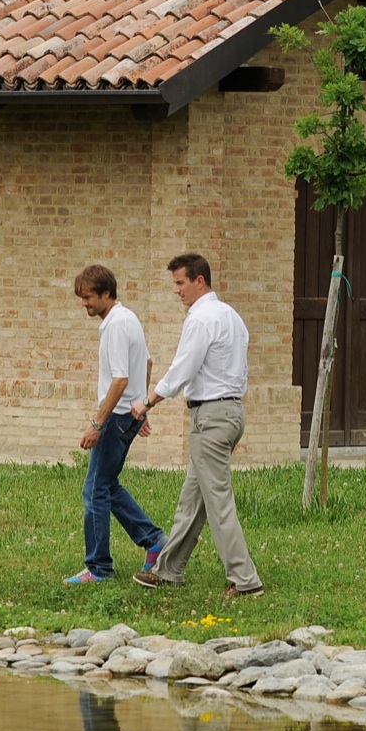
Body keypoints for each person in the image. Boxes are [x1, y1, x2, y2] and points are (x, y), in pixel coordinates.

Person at [130, 253, 263, 596]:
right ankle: (169, 569)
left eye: (180, 282)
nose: (176, 290)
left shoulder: (201, 319)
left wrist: (148, 401)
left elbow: (183, 369)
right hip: (230, 413)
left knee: (217, 500)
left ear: (199, 281)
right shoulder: (232, 317)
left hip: (212, 416)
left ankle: (245, 580)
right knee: (194, 498)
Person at [64, 264, 165, 584]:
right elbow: (147, 361)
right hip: (127, 415)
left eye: (89, 297)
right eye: (82, 298)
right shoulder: (127, 318)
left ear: (107, 293)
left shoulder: (116, 325)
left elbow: (120, 379)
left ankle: (98, 568)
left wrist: (97, 423)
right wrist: (142, 409)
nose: (85, 303)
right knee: (107, 486)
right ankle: (154, 541)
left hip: (116, 418)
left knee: (94, 492)